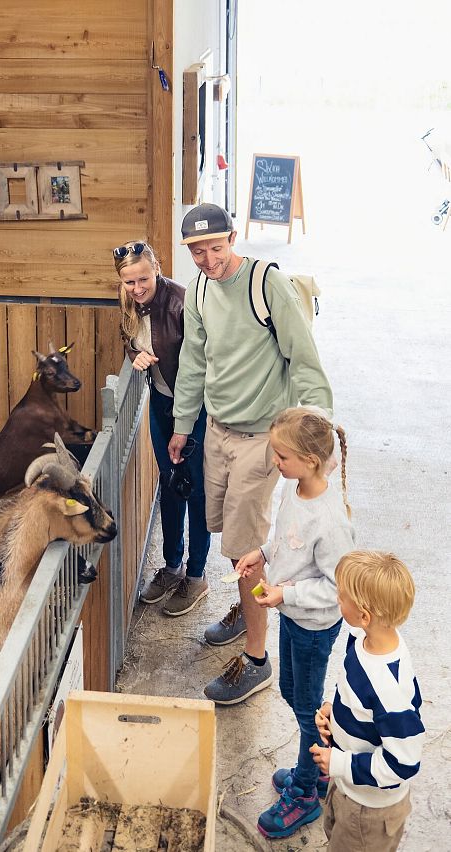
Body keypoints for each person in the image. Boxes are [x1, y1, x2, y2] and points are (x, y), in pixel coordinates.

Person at [168, 202, 334, 704]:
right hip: (217, 431)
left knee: (247, 550)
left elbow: (304, 360)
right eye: (197, 251)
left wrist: (318, 434)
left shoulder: (268, 286)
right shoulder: (198, 289)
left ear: (233, 237)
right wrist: (182, 425)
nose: (207, 259)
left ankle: (258, 659)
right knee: (229, 534)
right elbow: (194, 362)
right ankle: (247, 607)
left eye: (216, 247)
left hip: (262, 438)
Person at [235, 407, 354, 838]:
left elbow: (339, 589)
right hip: (291, 614)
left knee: (307, 709)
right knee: (292, 692)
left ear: (311, 461)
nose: (275, 463)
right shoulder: (295, 489)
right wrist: (263, 554)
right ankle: (316, 765)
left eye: (282, 457)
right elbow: (286, 538)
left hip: (314, 624)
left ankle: (306, 791)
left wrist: (288, 594)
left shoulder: (330, 519)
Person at [114, 240, 211, 615]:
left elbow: (196, 367)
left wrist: (183, 425)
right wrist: (133, 354)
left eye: (143, 278)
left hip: (191, 406)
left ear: (156, 267)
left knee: (196, 488)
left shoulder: (181, 304)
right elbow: (131, 339)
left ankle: (197, 574)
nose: (137, 288)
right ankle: (172, 566)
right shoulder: (129, 304)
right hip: (160, 402)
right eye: (128, 282)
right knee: (170, 484)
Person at [311, 551, 423, 852]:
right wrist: (335, 713)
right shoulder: (361, 641)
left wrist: (340, 762)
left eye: (342, 596)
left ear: (364, 615)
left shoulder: (389, 688)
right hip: (349, 786)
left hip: (370, 811)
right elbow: (355, 693)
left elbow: (404, 762)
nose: (337, 598)